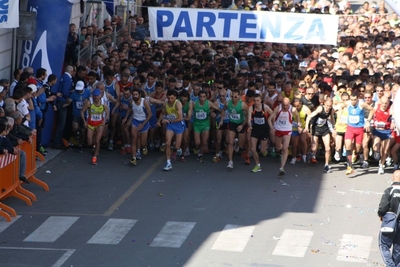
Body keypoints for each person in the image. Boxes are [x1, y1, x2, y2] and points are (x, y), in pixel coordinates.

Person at [268, 97, 301, 176]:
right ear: (281, 104)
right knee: (278, 147)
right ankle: (281, 149)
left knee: (285, 148)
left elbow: (297, 116)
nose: (285, 107)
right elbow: (269, 119)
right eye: (284, 105)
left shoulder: (292, 109)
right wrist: (272, 127)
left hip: (287, 130)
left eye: (287, 105)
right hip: (278, 129)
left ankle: (282, 168)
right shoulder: (277, 108)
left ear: (289, 104)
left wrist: (299, 124)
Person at [188, 90, 220, 163]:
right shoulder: (194, 103)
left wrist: (215, 112)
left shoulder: (208, 103)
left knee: (204, 142)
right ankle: (198, 148)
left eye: (204, 97)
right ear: (198, 97)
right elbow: (189, 110)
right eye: (201, 97)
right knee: (197, 142)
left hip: (205, 124)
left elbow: (217, 108)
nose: (202, 99)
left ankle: (200, 154)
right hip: (197, 124)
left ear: (206, 97)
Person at [157, 90, 185, 171]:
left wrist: (168, 120)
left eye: (171, 98)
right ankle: (168, 163)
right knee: (168, 143)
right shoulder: (166, 103)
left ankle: (178, 148)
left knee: (177, 146)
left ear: (175, 97)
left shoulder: (177, 104)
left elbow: (180, 118)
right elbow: (162, 113)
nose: (170, 100)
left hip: (179, 124)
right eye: (168, 98)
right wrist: (159, 121)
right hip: (171, 125)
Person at [220, 89, 248, 170]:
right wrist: (221, 120)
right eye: (232, 96)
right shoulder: (228, 103)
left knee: (241, 145)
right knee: (230, 142)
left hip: (240, 124)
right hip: (232, 123)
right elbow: (223, 110)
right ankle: (230, 162)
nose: (233, 98)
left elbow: (247, 117)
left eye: (235, 97)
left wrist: (242, 125)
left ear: (239, 97)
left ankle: (237, 143)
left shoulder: (242, 105)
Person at [305, 98, 336, 172]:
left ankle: (326, 165)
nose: (328, 108)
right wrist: (307, 127)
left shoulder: (331, 109)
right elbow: (309, 116)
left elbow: (331, 118)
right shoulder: (320, 109)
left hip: (324, 128)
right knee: (314, 148)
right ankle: (311, 153)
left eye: (330, 106)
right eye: (327, 106)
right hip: (316, 128)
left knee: (328, 148)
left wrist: (334, 127)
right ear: (324, 104)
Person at [80, 89, 109, 165]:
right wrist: (84, 121)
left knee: (97, 141)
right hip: (90, 123)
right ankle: (94, 146)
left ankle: (95, 157)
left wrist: (104, 120)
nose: (95, 97)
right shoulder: (89, 103)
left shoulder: (103, 104)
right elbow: (82, 111)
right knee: (89, 142)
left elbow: (107, 113)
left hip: (100, 124)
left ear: (100, 96)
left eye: (97, 96)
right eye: (94, 96)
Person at [124, 88, 152, 166]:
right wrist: (126, 117)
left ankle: (144, 146)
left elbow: (150, 114)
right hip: (135, 121)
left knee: (143, 142)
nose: (135, 96)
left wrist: (143, 124)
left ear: (139, 95)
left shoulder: (144, 102)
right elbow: (130, 109)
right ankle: (134, 158)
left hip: (144, 121)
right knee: (134, 139)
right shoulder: (131, 102)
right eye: (133, 95)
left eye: (136, 95)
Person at [378, 170, 400, 267]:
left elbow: (383, 207)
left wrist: (381, 215)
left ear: (392, 177)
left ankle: (391, 265)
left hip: (390, 223)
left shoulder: (389, 191)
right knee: (398, 248)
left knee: (384, 245)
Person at [247, 93, 273, 172]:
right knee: (253, 148)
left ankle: (265, 148)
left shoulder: (265, 107)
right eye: (254, 101)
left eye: (258, 101)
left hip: (264, 130)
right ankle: (257, 165)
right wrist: (250, 126)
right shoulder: (251, 108)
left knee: (262, 151)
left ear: (261, 100)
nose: (256, 102)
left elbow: (273, 114)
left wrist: (271, 124)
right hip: (255, 130)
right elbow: (248, 119)